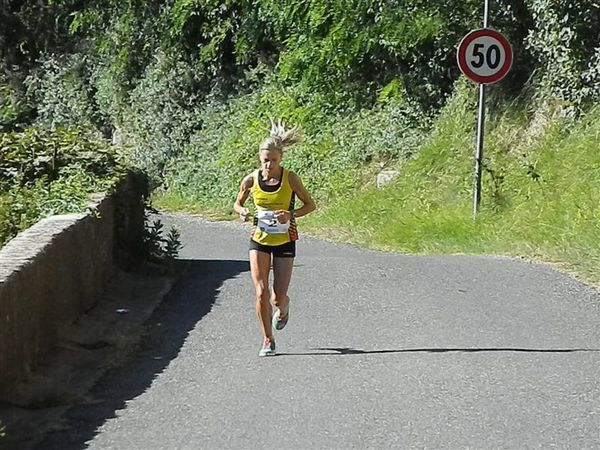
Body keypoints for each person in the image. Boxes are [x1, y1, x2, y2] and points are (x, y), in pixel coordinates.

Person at [233, 121, 316, 357]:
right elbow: (237, 203)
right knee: (260, 292)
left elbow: (310, 205)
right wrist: (243, 212)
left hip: (285, 240)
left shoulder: (291, 179)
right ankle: (268, 339)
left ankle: (284, 306)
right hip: (258, 240)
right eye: (265, 160)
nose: (269, 165)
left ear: (281, 159)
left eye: (273, 160)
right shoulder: (251, 179)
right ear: (260, 159)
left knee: (277, 296)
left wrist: (291, 214)